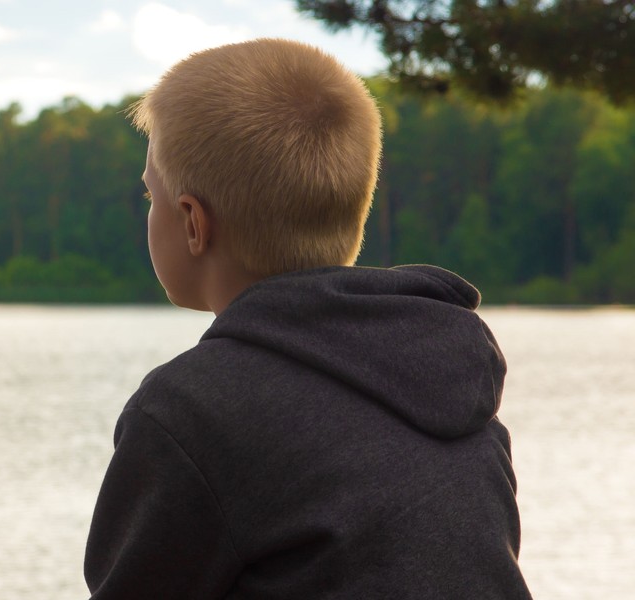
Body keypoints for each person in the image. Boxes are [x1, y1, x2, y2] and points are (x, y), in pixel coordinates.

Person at [83, 38, 531, 599]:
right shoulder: (460, 388)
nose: (148, 210)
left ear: (193, 223)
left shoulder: (193, 409)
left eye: (150, 195)